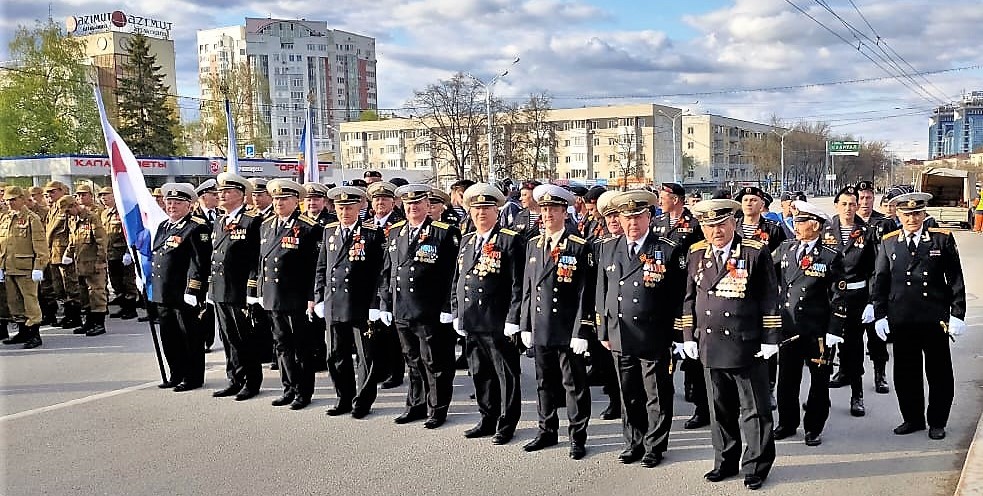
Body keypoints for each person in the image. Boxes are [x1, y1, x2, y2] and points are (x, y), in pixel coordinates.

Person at [680, 198, 780, 491]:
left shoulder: (754, 252)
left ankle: (756, 466)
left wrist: (770, 338)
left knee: (754, 410)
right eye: (709, 226)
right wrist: (688, 336)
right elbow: (688, 298)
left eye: (721, 224)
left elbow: (769, 298)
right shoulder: (697, 253)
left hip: (746, 344)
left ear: (733, 223)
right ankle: (724, 460)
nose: (716, 231)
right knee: (719, 408)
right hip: (710, 342)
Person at [596, 189, 685, 468]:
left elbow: (678, 297)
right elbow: (601, 292)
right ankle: (633, 442)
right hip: (619, 331)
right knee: (628, 392)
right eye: (627, 218)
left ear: (649, 217)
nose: (632, 223)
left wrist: (678, 335)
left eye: (638, 217)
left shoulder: (667, 250)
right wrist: (602, 330)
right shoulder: (608, 247)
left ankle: (654, 446)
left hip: (653, 335)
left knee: (656, 392)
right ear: (619, 219)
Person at [871, 192, 967, 440]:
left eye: (916, 213)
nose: (912, 218)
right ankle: (912, 418)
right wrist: (880, 313)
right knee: (905, 372)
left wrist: (957, 313)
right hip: (901, 318)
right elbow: (880, 280)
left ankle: (937, 421)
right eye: (906, 214)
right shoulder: (889, 241)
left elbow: (955, 279)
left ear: (924, 214)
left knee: (939, 372)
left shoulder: (940, 239)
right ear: (898, 215)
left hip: (933, 318)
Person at [519, 184, 596, 460]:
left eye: (554, 209)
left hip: (566, 328)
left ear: (566, 212)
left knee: (573, 385)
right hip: (540, 325)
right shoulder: (533, 244)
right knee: (544, 383)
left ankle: (577, 436)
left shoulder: (578, 246)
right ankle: (547, 430)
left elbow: (585, 293)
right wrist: (524, 324)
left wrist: (581, 330)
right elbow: (528, 288)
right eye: (545, 209)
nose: (548, 214)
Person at [378, 183, 461, 428]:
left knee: (434, 362)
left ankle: (437, 408)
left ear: (428, 206)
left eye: (418, 203)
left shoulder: (444, 233)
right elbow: (387, 271)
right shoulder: (395, 232)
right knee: (412, 360)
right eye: (408, 204)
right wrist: (385, 302)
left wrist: (448, 307)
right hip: (402, 307)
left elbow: (452, 274)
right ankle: (415, 405)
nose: (413, 208)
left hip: (430, 309)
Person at [450, 183, 525, 445]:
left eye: (486, 208)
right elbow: (458, 279)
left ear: (497, 210)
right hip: (471, 319)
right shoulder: (468, 239)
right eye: (476, 208)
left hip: (497, 320)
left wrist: (513, 318)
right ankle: (487, 417)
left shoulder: (510, 239)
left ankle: (506, 423)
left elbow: (518, 284)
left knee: (505, 374)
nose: (481, 213)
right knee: (480, 373)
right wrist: (456, 311)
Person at [772, 200, 848, 447]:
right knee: (787, 379)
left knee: (818, 382)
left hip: (818, 331)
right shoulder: (785, 249)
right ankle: (787, 422)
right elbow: (768, 277)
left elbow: (839, 294)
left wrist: (835, 328)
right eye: (795, 221)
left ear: (815, 225)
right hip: (789, 328)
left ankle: (813, 427)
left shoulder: (830, 256)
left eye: (801, 221)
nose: (796, 225)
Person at [249, 179, 323, 410]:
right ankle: (288, 387)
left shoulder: (308, 227)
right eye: (277, 198)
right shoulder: (267, 225)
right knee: (281, 345)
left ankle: (303, 391)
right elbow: (261, 261)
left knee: (301, 347)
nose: (279, 203)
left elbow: (315, 266)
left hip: (296, 296)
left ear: (296, 201)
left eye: (285, 199)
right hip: (272, 295)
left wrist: (313, 297)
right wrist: (259, 290)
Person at [313, 186, 386, 418]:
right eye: (340, 207)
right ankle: (343, 397)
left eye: (350, 207)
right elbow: (321, 267)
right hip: (333, 301)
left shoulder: (372, 233)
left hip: (360, 303)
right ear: (334, 208)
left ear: (360, 207)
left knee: (365, 356)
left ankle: (362, 401)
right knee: (335, 354)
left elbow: (380, 272)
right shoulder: (329, 230)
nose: (344, 211)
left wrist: (376, 303)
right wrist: (318, 297)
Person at [651, 182, 708, 429]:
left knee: (691, 351)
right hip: (664, 294)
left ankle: (701, 407)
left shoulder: (694, 224)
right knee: (666, 353)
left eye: (664, 196)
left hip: (688, 293)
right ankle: (664, 403)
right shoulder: (657, 223)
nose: (661, 200)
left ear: (676, 199)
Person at [823, 185, 882, 415]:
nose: (849, 208)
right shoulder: (825, 229)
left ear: (858, 206)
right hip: (830, 297)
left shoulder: (867, 231)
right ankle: (820, 397)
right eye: (844, 204)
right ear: (836, 206)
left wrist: (871, 301)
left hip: (856, 297)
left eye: (853, 204)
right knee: (826, 349)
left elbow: (875, 269)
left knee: (854, 348)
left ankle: (857, 395)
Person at [208, 173, 264, 402]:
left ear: (241, 195)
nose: (221, 195)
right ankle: (235, 378)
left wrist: (252, 290)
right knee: (228, 337)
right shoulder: (220, 221)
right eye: (220, 192)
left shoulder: (252, 221)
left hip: (239, 290)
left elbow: (256, 259)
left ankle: (251, 381)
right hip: (221, 288)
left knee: (244, 338)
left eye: (227, 192)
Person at [151, 183, 212, 392]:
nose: (172, 206)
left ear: (189, 205)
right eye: (169, 202)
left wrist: (193, 290)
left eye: (178, 202)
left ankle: (192, 377)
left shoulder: (196, 227)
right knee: (169, 337)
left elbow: (199, 262)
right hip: (163, 291)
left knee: (189, 337)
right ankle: (175, 373)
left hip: (183, 294)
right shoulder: (163, 226)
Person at [365, 181, 406, 389]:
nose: (380, 202)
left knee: (392, 333)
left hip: (390, 284)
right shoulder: (366, 224)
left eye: (385, 199)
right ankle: (377, 369)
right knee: (373, 333)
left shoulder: (399, 224)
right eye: (376, 199)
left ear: (393, 202)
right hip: (369, 285)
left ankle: (396, 372)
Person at [0, 186, 49, 349]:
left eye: (13, 199)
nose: (9, 203)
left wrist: (39, 266)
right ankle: (22, 332)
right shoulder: (6, 218)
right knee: (14, 302)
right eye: (7, 200)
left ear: (22, 199)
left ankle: (34, 334)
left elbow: (41, 246)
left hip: (26, 268)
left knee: (30, 302)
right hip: (9, 266)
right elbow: (3, 244)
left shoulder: (31, 218)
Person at [60, 195, 109, 337]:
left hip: (94, 263)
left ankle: (99, 323)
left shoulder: (92, 218)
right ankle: (89, 322)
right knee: (84, 294)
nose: (68, 214)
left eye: (68, 211)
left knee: (96, 293)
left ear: (74, 205)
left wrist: (100, 261)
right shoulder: (72, 219)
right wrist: (68, 254)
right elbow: (73, 240)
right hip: (80, 263)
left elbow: (101, 241)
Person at [43, 181, 83, 329]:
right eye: (47, 193)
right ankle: (68, 314)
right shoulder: (53, 208)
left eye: (52, 192)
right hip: (54, 252)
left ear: (61, 191)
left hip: (65, 252)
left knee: (71, 285)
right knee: (59, 287)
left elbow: (71, 231)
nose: (49, 195)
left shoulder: (66, 206)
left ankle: (75, 316)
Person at [98, 187, 139, 320]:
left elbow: (130, 233)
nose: (104, 198)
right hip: (110, 253)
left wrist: (128, 252)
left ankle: (131, 309)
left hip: (123, 253)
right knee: (116, 282)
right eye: (102, 196)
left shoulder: (123, 211)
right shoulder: (104, 213)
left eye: (107, 195)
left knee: (128, 281)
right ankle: (123, 307)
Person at [194, 179, 221, 353]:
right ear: (204, 196)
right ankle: (205, 339)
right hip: (202, 268)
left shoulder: (221, 215)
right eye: (214, 194)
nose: (218, 197)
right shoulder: (194, 216)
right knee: (204, 307)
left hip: (219, 269)